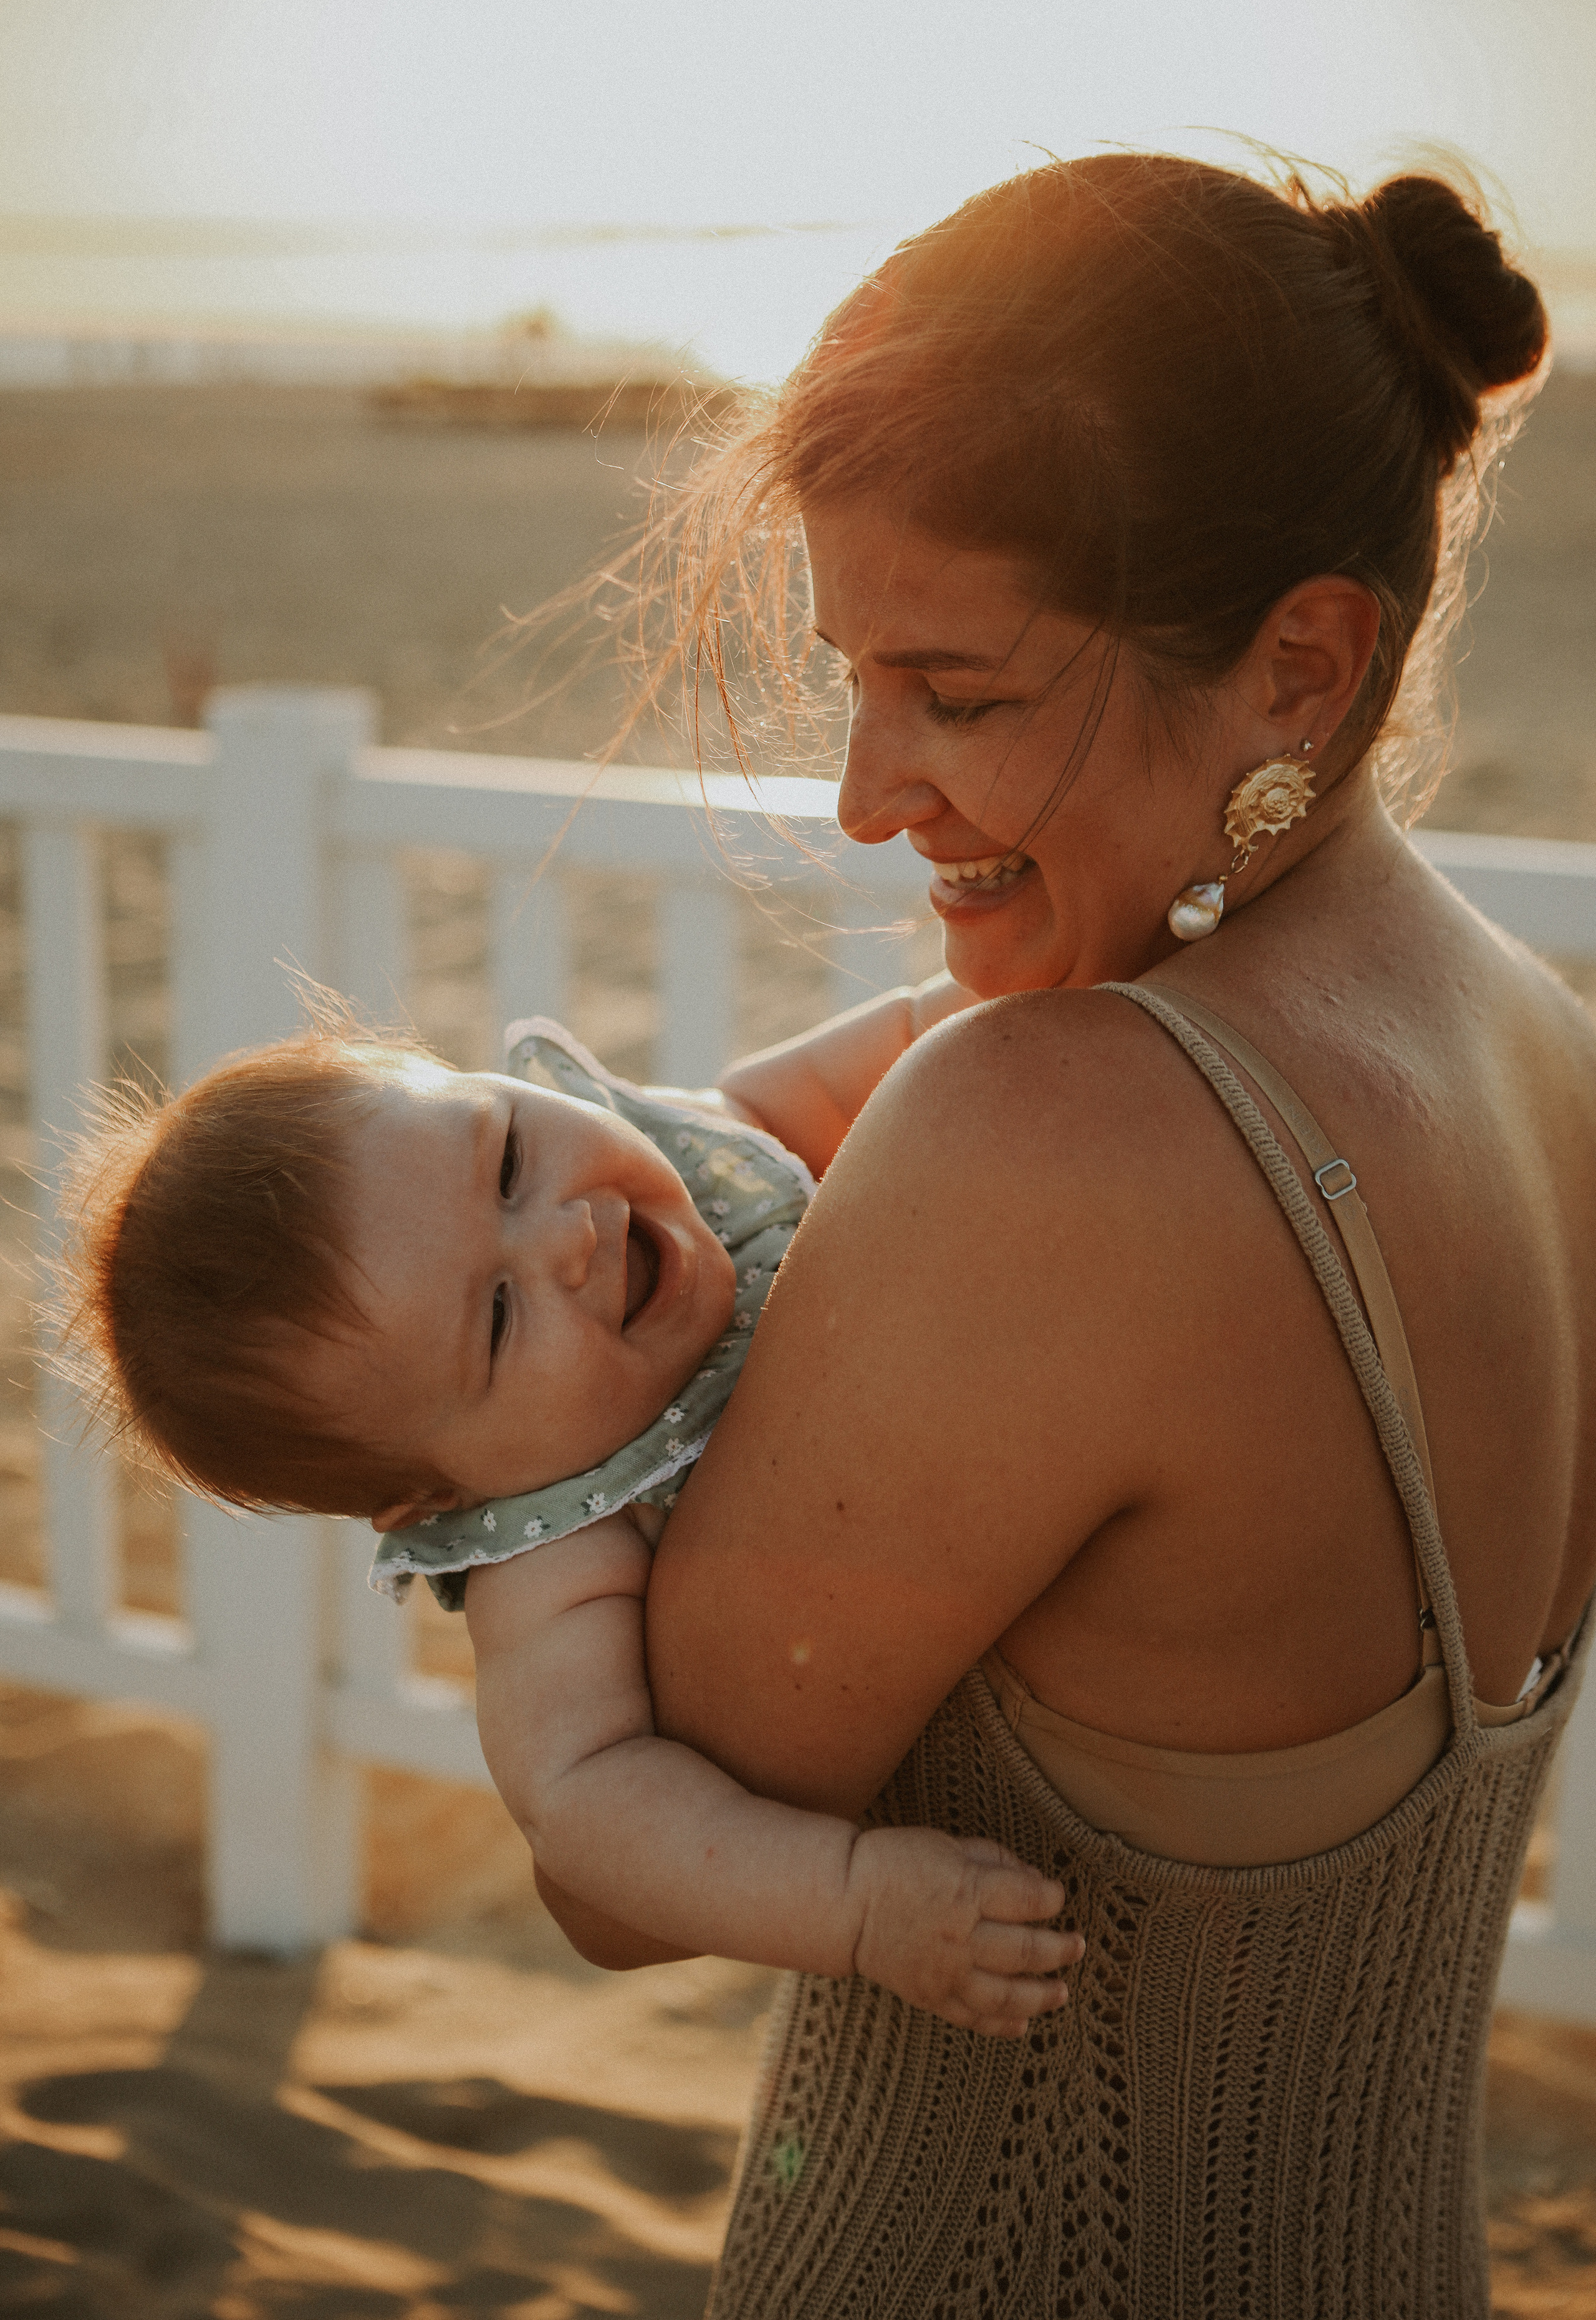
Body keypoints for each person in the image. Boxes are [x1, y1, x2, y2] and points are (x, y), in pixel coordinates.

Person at [487, 155, 1594, 2316]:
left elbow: (621, 1873)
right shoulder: (1538, 1048)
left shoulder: (1058, 1129)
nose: (862, 793)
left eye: (961, 694)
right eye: (850, 676)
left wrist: (483, 1401)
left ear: (1302, 665)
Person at [55, 994, 1079, 2036]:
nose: (571, 1233)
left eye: (506, 1159)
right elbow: (588, 1807)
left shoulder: (704, 1147)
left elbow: (922, 1047)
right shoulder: (559, 1551)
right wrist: (855, 1903)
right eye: (499, 1317)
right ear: (442, 1494)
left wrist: (1024, 993)